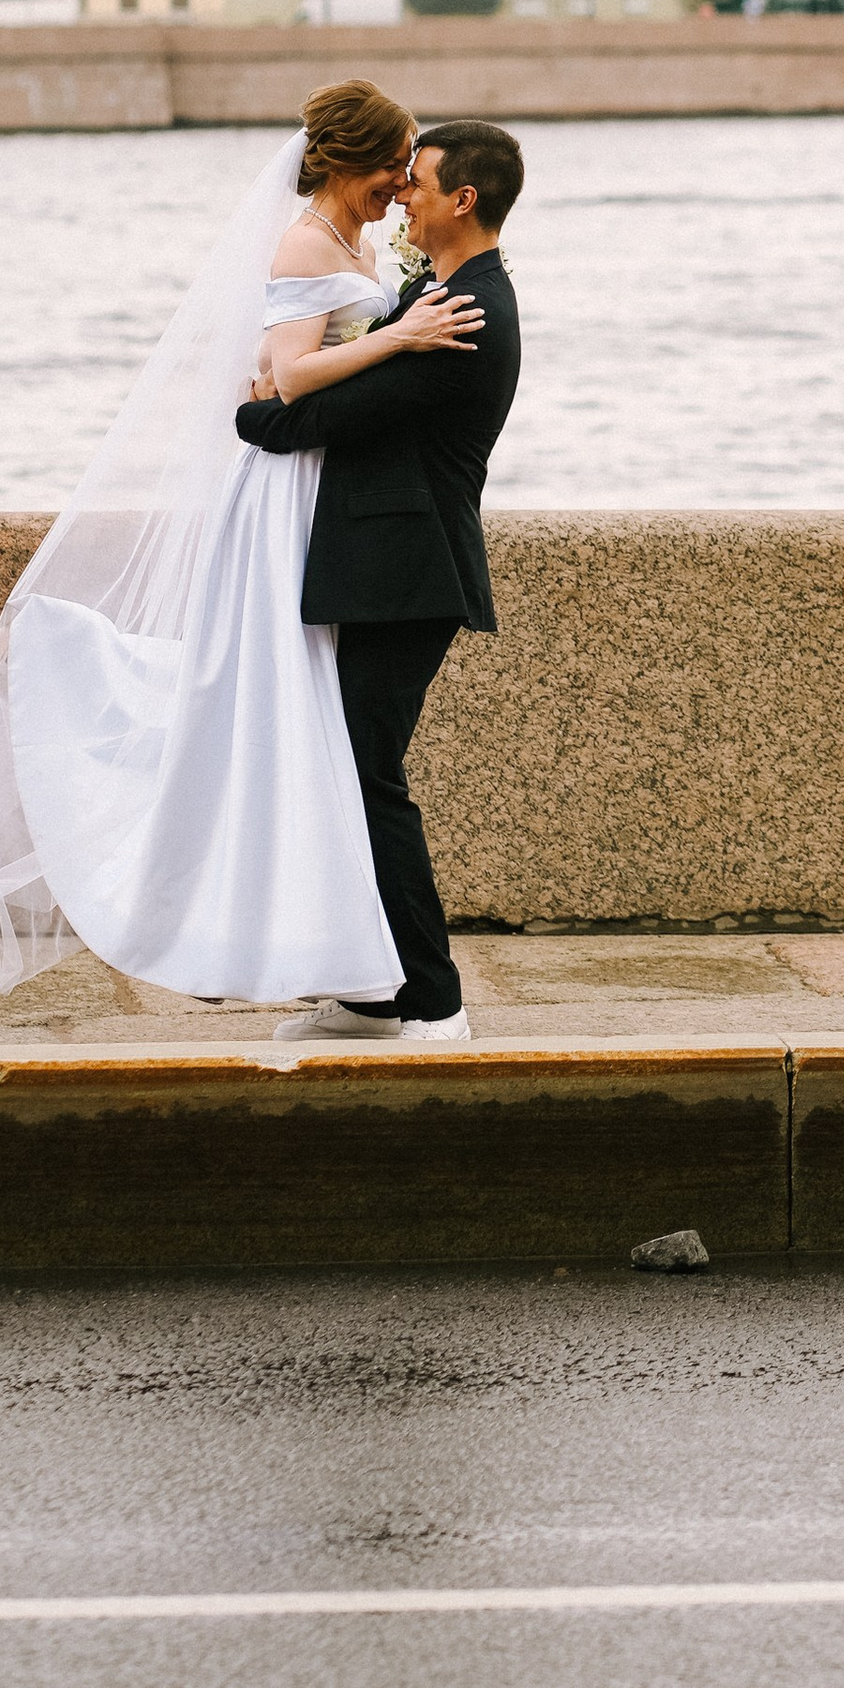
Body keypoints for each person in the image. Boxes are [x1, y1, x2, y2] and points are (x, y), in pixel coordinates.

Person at [0, 81, 482, 1034]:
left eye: (413, 171)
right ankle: (356, 973)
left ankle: (362, 978)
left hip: (327, 493)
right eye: (395, 166)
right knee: (292, 717)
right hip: (285, 500)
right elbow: (287, 376)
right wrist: (401, 334)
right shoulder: (304, 243)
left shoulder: (360, 245)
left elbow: (294, 368)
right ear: (350, 164)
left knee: (320, 739)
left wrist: (383, 333)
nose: (403, 186)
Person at [233, 116, 524, 1042]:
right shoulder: (433, 293)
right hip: (385, 566)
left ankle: (432, 1001)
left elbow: (322, 416)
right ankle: (372, 992)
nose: (406, 192)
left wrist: (254, 415)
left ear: (462, 200)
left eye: (421, 181)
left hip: (411, 570)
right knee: (350, 770)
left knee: (368, 775)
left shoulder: (467, 311)